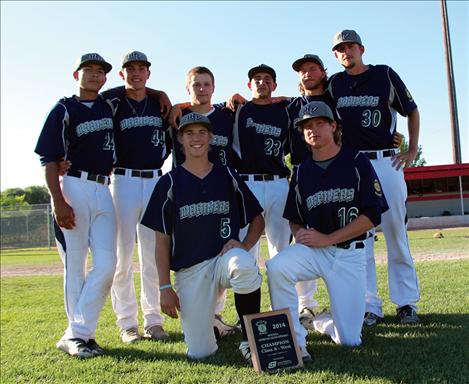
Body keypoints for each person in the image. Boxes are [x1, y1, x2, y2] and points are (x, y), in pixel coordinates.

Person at [141, 112, 264, 362]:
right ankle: (216, 327)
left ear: (210, 138)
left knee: (243, 265)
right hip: (190, 271)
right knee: (200, 352)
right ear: (180, 140)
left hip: (223, 260)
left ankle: (250, 339)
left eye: (201, 132)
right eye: (189, 133)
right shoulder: (169, 183)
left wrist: (245, 244)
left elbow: (257, 218)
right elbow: (162, 241)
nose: (196, 138)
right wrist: (164, 287)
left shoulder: (228, 176)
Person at [267, 101, 388, 349]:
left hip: (349, 254)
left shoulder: (357, 161)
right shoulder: (301, 172)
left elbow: (372, 216)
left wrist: (328, 238)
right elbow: (295, 216)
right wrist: (300, 236)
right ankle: (294, 341)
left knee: (349, 341)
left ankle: (322, 322)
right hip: (315, 252)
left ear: (333, 126)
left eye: (319, 123)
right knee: (277, 267)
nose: (313, 130)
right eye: (307, 126)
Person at [328, 29, 420, 325]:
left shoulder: (384, 74)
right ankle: (370, 305)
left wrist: (411, 149)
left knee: (396, 233)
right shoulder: (335, 84)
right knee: (361, 237)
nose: (347, 52)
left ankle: (405, 303)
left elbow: (412, 110)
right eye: (341, 49)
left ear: (361, 49)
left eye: (351, 46)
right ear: (336, 54)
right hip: (353, 166)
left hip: (386, 161)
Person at [34, 53, 117, 358]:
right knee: (76, 266)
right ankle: (81, 335)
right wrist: (58, 200)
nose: (95, 75)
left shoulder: (109, 105)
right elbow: (48, 159)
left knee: (108, 264)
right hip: (74, 186)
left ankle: (76, 333)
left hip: (103, 189)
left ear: (106, 78)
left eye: (100, 72)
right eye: (89, 70)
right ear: (76, 75)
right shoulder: (64, 108)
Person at [102, 51, 172, 344]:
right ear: (121, 74)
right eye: (130, 69)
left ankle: (153, 320)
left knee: (153, 257)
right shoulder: (113, 100)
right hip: (123, 179)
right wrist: (160, 90)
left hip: (154, 178)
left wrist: (160, 93)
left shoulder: (159, 104)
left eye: (142, 68)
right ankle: (127, 323)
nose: (136, 73)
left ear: (148, 73)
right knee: (122, 257)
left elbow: (169, 142)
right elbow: (101, 95)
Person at [168, 66, 238, 339]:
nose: (201, 88)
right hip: (185, 193)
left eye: (206, 84)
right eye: (196, 84)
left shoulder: (226, 115)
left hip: (220, 191)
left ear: (213, 87)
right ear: (188, 89)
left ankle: (216, 315)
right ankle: (158, 318)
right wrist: (174, 103)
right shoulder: (177, 115)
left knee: (220, 250)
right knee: (191, 252)